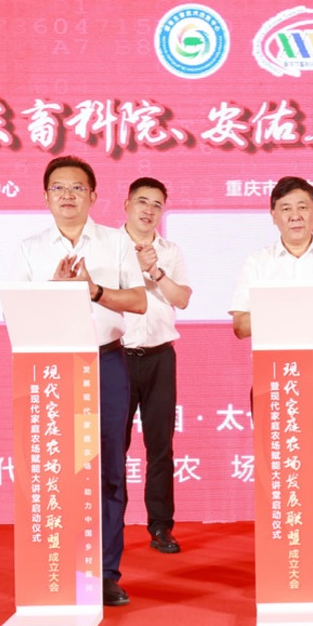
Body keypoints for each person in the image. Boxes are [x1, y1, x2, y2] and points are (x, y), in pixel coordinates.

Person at [12, 155, 147, 607]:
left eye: (76, 188)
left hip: (105, 362)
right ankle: (57, 567)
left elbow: (139, 302)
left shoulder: (116, 243)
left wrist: (93, 291)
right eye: (58, 188)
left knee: (109, 468)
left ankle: (105, 572)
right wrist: (53, 292)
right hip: (50, 369)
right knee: (54, 470)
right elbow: (14, 314)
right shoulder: (30, 249)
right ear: (45, 196)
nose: (67, 195)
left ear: (93, 195)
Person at [228, 177, 313, 548]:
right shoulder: (258, 262)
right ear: (273, 215)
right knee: (277, 470)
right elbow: (241, 325)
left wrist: (285, 308)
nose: (295, 216)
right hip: (273, 379)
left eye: (303, 207)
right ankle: (283, 552)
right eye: (286, 208)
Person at [120, 177, 193, 555]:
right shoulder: (109, 246)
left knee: (161, 447)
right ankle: (107, 525)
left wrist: (155, 271)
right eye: (142, 202)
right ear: (127, 205)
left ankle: (161, 526)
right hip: (116, 356)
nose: (149, 210)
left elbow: (182, 298)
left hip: (160, 356)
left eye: (157, 205)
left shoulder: (170, 250)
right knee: (112, 446)